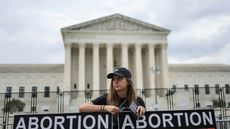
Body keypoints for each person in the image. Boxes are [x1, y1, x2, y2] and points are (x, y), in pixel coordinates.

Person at [79, 67, 146, 128]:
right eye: (114, 79)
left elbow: (144, 122)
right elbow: (82, 108)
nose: (116, 81)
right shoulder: (107, 98)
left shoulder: (138, 101)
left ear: (128, 81)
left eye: (120, 78)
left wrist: (143, 110)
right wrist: (105, 108)